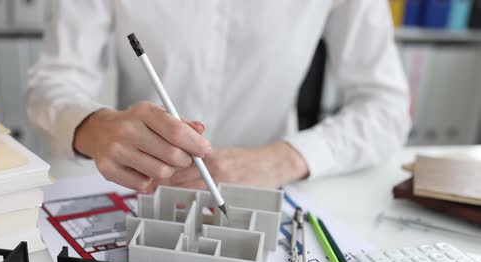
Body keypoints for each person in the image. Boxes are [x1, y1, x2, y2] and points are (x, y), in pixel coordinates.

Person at [26, 1, 410, 192]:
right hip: (138, 185)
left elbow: (387, 108)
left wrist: (285, 159)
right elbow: (53, 82)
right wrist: (95, 127)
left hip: (274, 186)